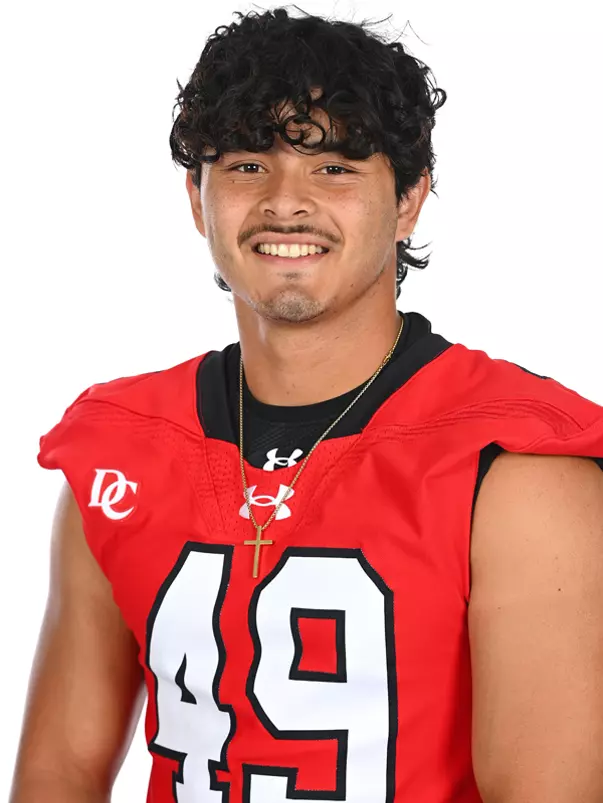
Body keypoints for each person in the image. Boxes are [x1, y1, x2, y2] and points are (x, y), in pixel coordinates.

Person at [10, 7, 603, 802]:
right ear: (198, 198)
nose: (284, 203)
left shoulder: (514, 466)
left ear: (408, 200)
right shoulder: (118, 452)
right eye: (247, 165)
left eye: (333, 168)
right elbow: (60, 771)